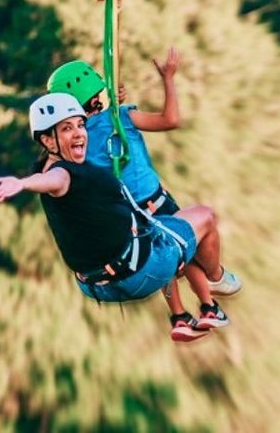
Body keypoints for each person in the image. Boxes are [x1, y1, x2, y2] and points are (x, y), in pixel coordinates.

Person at [0, 93, 234, 342]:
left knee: (154, 228)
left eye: (80, 125)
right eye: (66, 128)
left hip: (97, 285)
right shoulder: (61, 174)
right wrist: (22, 184)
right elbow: (52, 181)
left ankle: (181, 316)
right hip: (140, 272)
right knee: (205, 216)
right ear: (48, 141)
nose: (79, 134)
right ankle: (215, 280)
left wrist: (109, 101)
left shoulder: (63, 166)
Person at [46, 50, 241, 340]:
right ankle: (210, 303)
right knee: (184, 253)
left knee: (162, 257)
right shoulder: (121, 118)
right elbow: (170, 119)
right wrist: (169, 79)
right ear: (97, 94)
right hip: (155, 200)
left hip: (127, 215)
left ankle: (179, 316)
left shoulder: (73, 143)